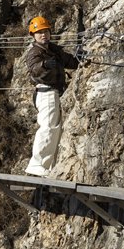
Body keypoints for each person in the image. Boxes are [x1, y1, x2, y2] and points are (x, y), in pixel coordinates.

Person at [25, 16, 80, 177]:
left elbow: (69, 61)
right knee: (48, 127)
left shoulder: (54, 50)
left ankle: (47, 166)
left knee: (55, 129)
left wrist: (79, 58)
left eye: (46, 31)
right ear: (33, 35)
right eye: (39, 32)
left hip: (54, 92)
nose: (43, 35)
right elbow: (34, 69)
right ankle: (37, 164)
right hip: (45, 91)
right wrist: (44, 65)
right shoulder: (34, 52)